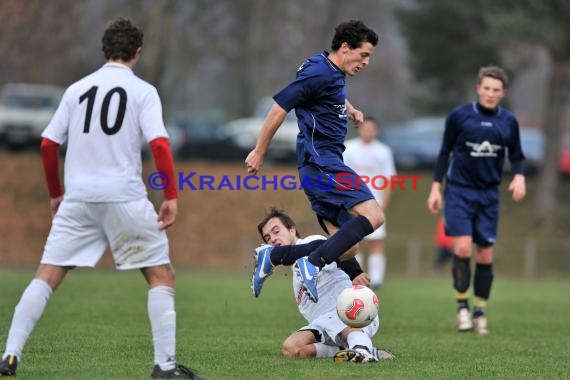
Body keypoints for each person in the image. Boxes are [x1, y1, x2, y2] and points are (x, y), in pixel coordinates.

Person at [0, 18, 204, 379]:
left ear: (104, 50)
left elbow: (48, 145)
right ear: (137, 53)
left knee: (45, 276)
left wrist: (56, 194)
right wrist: (170, 195)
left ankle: (10, 356)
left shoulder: (76, 90)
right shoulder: (143, 91)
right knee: (161, 276)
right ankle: (165, 367)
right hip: (123, 195)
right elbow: (159, 143)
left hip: (78, 198)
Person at [245, 20, 384, 303]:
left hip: (315, 165)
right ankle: (312, 263)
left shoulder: (330, 70)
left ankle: (274, 255)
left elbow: (327, 97)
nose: (366, 62)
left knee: (347, 249)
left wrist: (351, 109)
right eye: (364, 54)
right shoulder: (319, 73)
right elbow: (278, 108)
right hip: (322, 163)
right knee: (375, 216)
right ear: (346, 48)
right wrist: (260, 150)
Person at [427, 65, 526, 335]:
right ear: (478, 88)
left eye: (496, 90)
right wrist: (436, 188)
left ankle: (480, 311)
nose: (491, 94)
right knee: (462, 250)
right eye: (487, 88)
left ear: (503, 92)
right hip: (459, 191)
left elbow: (516, 155)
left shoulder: (508, 122)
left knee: (484, 254)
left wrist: (519, 177)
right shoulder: (460, 117)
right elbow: (444, 152)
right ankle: (462, 309)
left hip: (489, 195)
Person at [257, 208, 394, 363]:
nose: (273, 239)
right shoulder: (297, 270)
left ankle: (362, 351)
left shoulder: (310, 243)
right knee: (292, 348)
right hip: (325, 323)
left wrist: (355, 272)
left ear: (292, 230)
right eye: (268, 237)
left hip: (351, 312)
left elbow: (335, 246)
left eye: (276, 231)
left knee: (343, 324)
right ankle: (352, 349)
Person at [343, 117, 396, 289]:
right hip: (354, 203)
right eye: (365, 128)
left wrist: (383, 206)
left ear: (376, 131)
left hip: (375, 204)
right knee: (353, 241)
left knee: (376, 242)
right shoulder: (349, 148)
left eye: (371, 129)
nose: (368, 132)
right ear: (359, 129)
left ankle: (377, 280)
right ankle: (355, 277)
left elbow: (388, 179)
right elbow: (341, 177)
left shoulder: (383, 151)